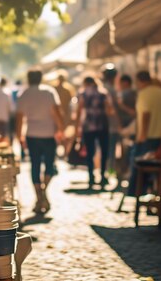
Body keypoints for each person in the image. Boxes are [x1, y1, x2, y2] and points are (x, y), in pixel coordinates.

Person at [16, 69, 64, 213]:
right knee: (50, 164)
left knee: (35, 165)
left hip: (32, 134)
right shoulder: (49, 92)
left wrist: (19, 136)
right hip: (49, 133)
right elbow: (56, 112)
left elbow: (19, 117)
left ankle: (39, 196)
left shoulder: (24, 94)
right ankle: (43, 193)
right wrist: (61, 129)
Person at [128, 71, 161, 195]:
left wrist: (142, 136)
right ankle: (152, 193)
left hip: (148, 137)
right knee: (156, 170)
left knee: (139, 168)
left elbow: (146, 114)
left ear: (140, 81)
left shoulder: (144, 94)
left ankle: (137, 193)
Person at [75, 76, 114, 188]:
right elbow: (110, 110)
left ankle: (91, 177)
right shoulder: (103, 93)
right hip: (102, 125)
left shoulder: (83, 93)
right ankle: (102, 175)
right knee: (104, 151)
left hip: (88, 126)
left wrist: (77, 127)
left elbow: (79, 110)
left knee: (90, 152)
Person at [102, 65, 121, 177]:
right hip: (111, 124)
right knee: (111, 149)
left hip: (103, 124)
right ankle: (109, 171)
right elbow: (113, 109)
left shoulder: (103, 87)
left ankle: (106, 171)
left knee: (107, 149)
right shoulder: (110, 89)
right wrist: (119, 123)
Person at [53, 70, 76, 158]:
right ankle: (65, 152)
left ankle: (62, 152)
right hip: (64, 115)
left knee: (59, 133)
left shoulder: (57, 89)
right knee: (63, 134)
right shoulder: (68, 89)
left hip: (58, 115)